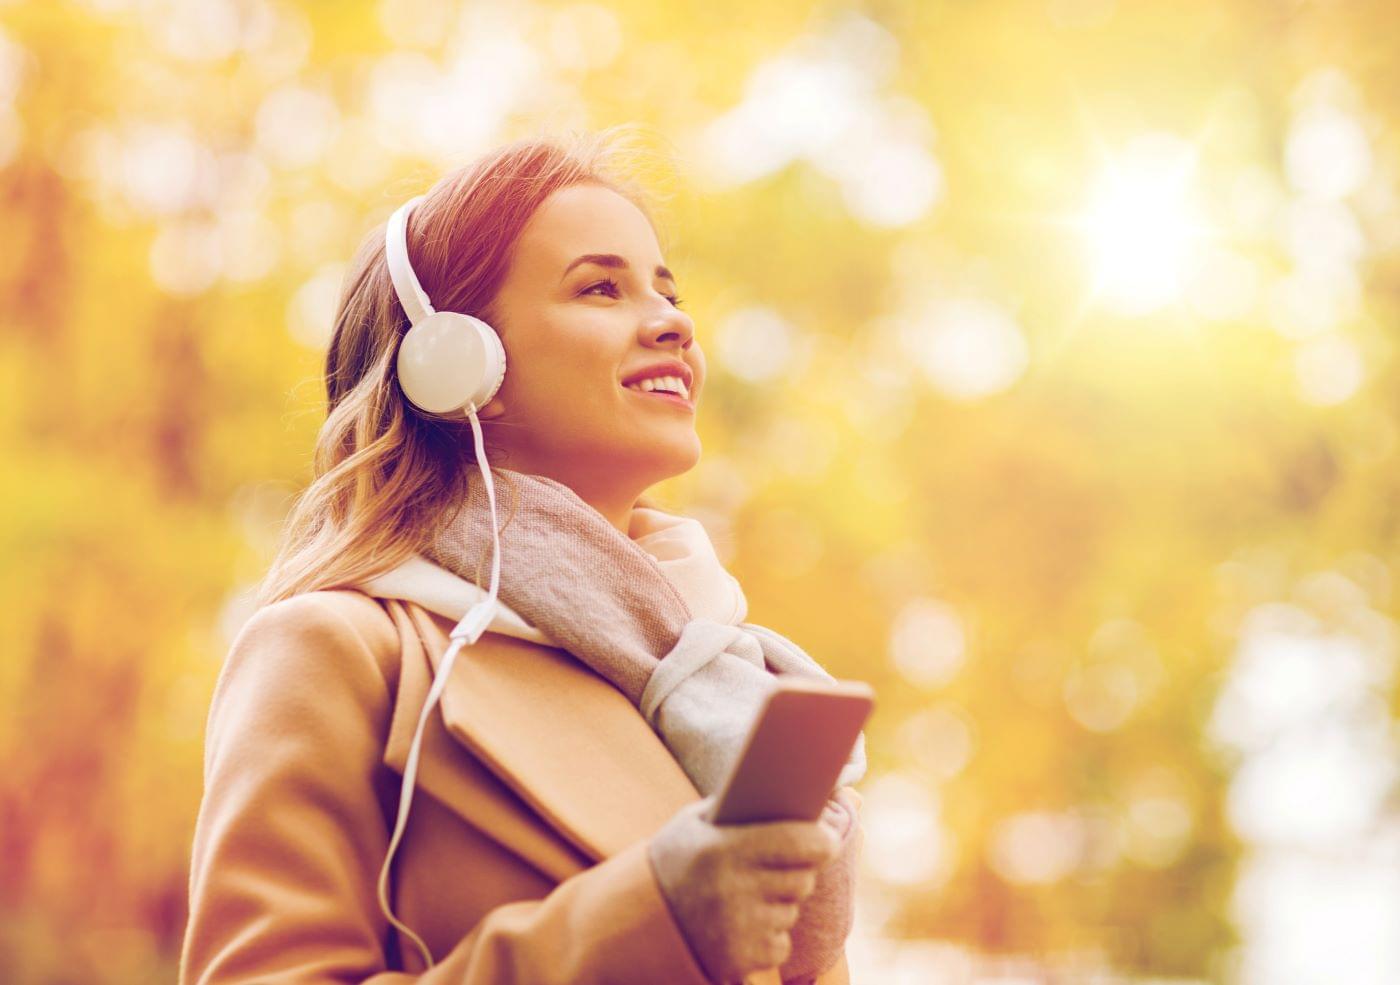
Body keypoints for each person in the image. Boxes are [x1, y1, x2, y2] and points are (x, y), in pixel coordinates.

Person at [178, 126, 865, 985]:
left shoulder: (725, 682)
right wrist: (651, 920)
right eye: (600, 289)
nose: (675, 322)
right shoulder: (342, 649)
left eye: (665, 288)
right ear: (460, 366)